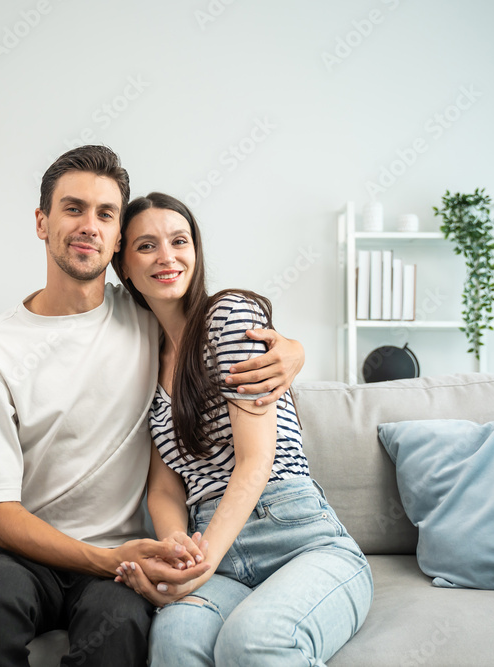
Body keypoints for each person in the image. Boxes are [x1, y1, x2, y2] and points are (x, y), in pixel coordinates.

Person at [0, 145, 306, 667]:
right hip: (21, 555)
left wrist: (292, 352)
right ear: (42, 222)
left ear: (117, 242)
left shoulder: (148, 319)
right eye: (73, 209)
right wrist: (104, 556)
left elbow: (219, 333)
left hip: (121, 563)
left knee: (120, 631)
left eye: (106, 214)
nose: (89, 224)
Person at [112, 192, 373, 666]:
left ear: (196, 251)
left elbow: (256, 462)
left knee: (250, 641)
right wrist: (177, 552)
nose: (167, 256)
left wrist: (202, 559)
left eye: (179, 240)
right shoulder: (143, 362)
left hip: (296, 536)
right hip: (216, 551)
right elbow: (166, 488)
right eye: (147, 246)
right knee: (173, 639)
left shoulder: (229, 316)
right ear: (124, 266)